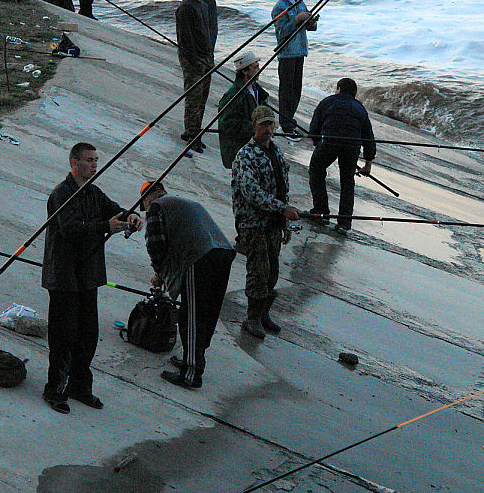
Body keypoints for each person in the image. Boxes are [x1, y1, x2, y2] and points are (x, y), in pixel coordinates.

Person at [41, 143, 142, 413]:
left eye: (96, 160)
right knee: (63, 336)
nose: (94, 164)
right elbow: (71, 229)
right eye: (89, 160)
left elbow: (113, 209)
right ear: (74, 163)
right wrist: (104, 227)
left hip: (88, 275)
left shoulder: (93, 192)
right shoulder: (62, 194)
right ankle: (55, 389)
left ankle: (80, 386)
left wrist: (129, 216)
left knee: (88, 334)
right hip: (64, 277)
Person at [140, 181, 235, 389]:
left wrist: (160, 274)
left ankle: (191, 373)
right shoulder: (185, 203)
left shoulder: (157, 207)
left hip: (199, 258)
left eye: (144, 203)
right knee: (207, 314)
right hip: (223, 254)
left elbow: (156, 244)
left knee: (191, 316)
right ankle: (193, 358)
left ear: (148, 197)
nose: (146, 208)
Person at [231, 105, 300, 339]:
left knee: (273, 270)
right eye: (263, 125)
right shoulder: (245, 156)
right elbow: (252, 193)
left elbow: (283, 188)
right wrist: (284, 209)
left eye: (271, 125)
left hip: (273, 223)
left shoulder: (276, 152)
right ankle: (251, 318)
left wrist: (285, 221)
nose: (268, 130)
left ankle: (263, 314)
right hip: (252, 223)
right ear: (254, 127)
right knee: (258, 270)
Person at [308, 77, 377, 235]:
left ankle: (321, 212)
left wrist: (317, 142)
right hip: (352, 146)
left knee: (316, 170)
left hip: (329, 142)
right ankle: (344, 223)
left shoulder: (327, 102)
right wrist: (368, 165)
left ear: (338, 89)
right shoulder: (360, 108)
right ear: (354, 93)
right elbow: (369, 138)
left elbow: (314, 130)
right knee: (347, 182)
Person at [272, 0, 317, 139]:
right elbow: (282, 32)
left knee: (296, 89)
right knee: (286, 91)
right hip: (287, 54)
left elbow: (310, 27)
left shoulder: (300, 3)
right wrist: (297, 19)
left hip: (300, 51)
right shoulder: (279, 8)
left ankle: (289, 120)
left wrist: (311, 21)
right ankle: (285, 125)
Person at [175, 0, 214, 152]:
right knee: (193, 96)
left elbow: (206, 33)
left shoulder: (204, 6)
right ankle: (192, 134)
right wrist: (195, 59)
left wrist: (209, 56)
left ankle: (195, 131)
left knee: (203, 97)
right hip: (193, 60)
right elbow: (185, 39)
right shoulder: (186, 7)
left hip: (206, 57)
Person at [217, 50, 269, 170]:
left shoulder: (257, 91)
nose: (259, 70)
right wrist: (257, 128)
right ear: (245, 71)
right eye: (255, 67)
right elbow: (228, 125)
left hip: (255, 148)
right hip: (240, 153)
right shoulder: (233, 95)